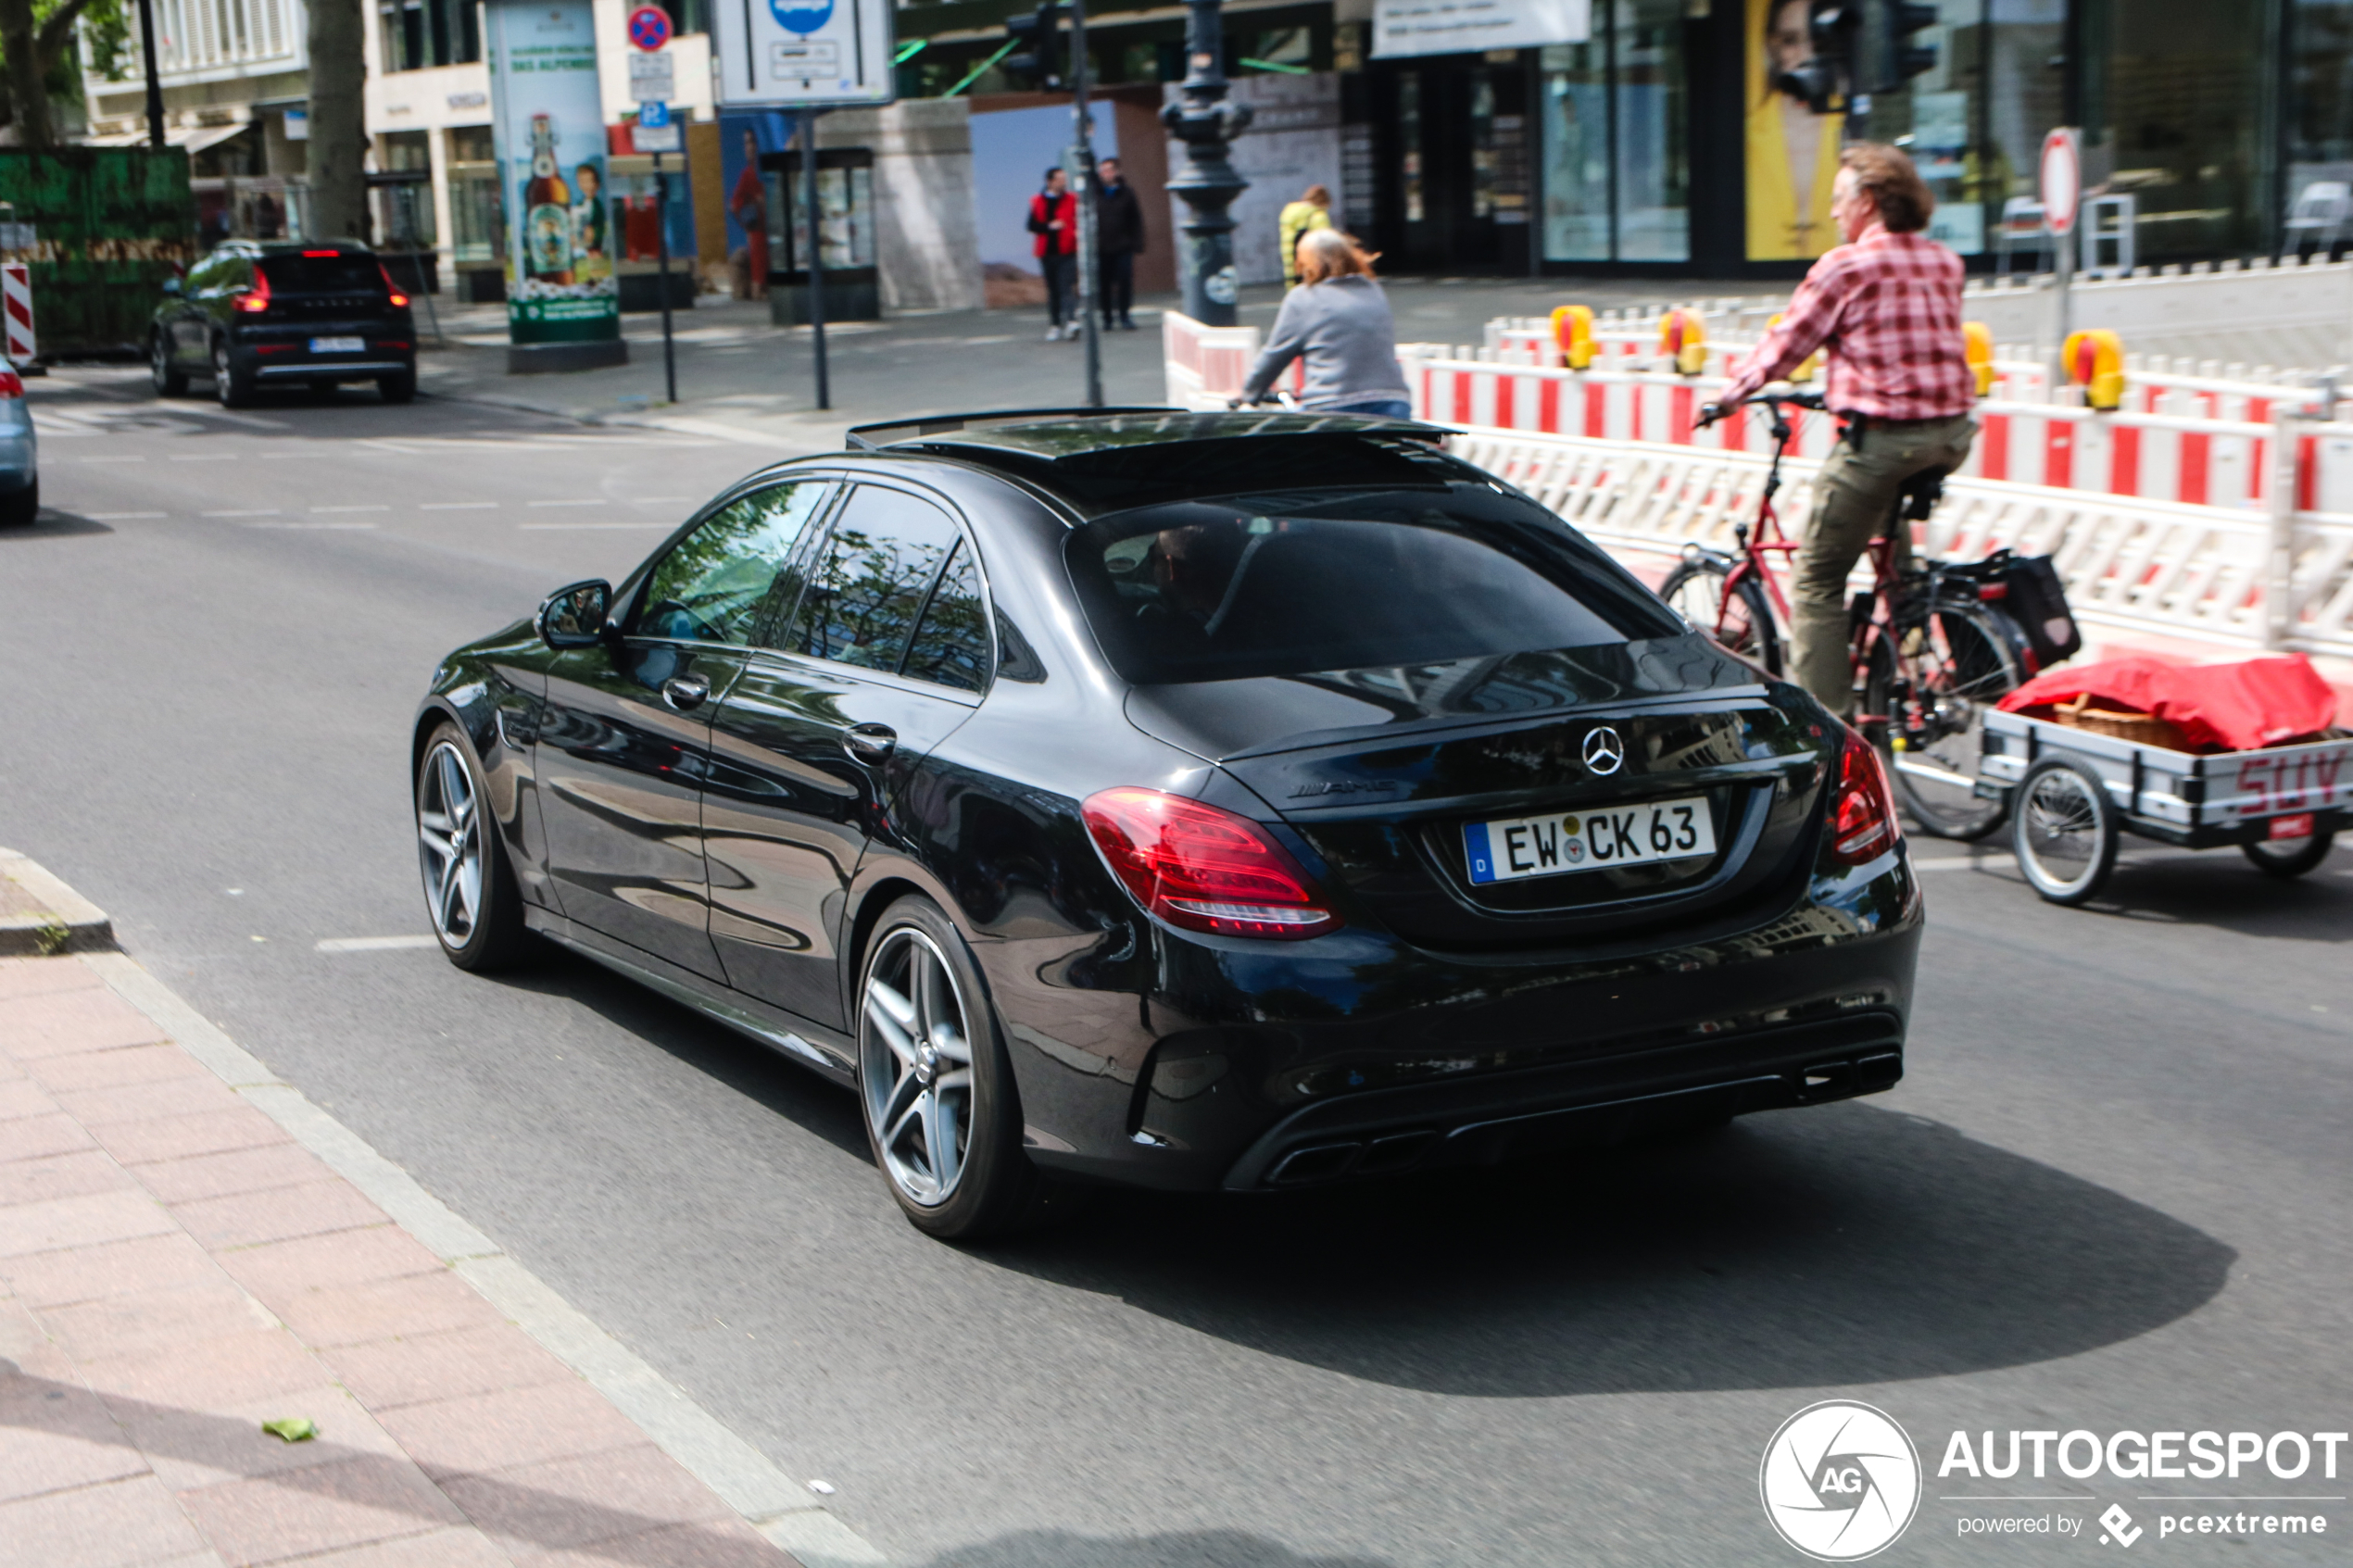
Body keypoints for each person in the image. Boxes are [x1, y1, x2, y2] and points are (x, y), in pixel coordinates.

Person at [1705, 144, 1977, 717]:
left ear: (1868, 201)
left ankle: (1827, 729)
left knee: (1816, 583)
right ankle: (1903, 658)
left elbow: (1787, 345)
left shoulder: (1845, 266)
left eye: (1838, 200)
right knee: (1885, 543)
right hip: (1951, 435)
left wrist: (1729, 397)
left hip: (1886, 439)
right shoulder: (1944, 261)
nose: (1832, 214)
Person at [1237, 229, 1413, 418]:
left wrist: (1248, 395)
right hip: (1392, 403)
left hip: (1332, 406)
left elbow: (1275, 355)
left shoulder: (1303, 297)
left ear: (1307, 263)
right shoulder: (1373, 290)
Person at [1746, 0, 1844, 258]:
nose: (1806, 53)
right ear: (1771, 45)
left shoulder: (1851, 124)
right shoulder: (1747, 130)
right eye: (1790, 39)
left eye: (1818, 39)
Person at [1028, 167, 1078, 342]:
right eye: (1059, 179)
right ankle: (1055, 325)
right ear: (1049, 182)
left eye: (1064, 179)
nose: (1063, 182)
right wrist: (1049, 226)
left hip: (1067, 251)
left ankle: (1072, 322)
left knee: (1067, 286)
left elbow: (1079, 218)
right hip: (1047, 252)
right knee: (1054, 290)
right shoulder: (1038, 201)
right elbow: (1031, 226)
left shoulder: (1072, 199)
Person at [1095, 157, 1143, 332]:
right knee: (1104, 283)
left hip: (1123, 245)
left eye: (1109, 170)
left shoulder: (1127, 192)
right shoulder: (1095, 193)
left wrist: (1136, 243)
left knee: (1124, 282)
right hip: (1102, 247)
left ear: (1116, 172)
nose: (1105, 174)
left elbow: (1136, 219)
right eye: (1102, 170)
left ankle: (1125, 316)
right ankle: (1107, 318)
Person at [728, 131, 767, 300]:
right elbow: (735, 203)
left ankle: (760, 288)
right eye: (746, 143)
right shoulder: (748, 173)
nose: (748, 148)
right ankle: (758, 288)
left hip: (766, 224)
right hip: (759, 226)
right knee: (758, 255)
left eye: (751, 142)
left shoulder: (757, 171)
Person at [1278, 184, 1333, 287]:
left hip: (1292, 268)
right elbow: (1326, 245)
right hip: (1313, 269)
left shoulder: (1288, 213)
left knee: (1297, 296)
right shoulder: (1318, 216)